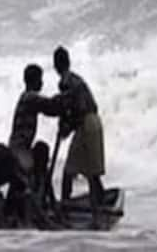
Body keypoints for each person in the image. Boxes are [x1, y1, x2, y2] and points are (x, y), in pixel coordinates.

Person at [53, 46, 106, 229]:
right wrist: (67, 125)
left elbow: (74, 110)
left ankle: (67, 212)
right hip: (94, 123)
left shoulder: (66, 82)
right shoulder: (76, 79)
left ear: (56, 65)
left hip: (86, 124)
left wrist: (66, 127)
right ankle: (101, 206)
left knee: (71, 172)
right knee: (92, 172)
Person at [7, 64, 63, 224]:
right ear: (34, 80)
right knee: (29, 171)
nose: (42, 83)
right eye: (40, 79)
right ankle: (30, 210)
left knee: (39, 163)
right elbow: (51, 107)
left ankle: (39, 203)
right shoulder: (30, 97)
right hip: (19, 148)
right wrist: (66, 98)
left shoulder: (27, 97)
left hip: (21, 147)